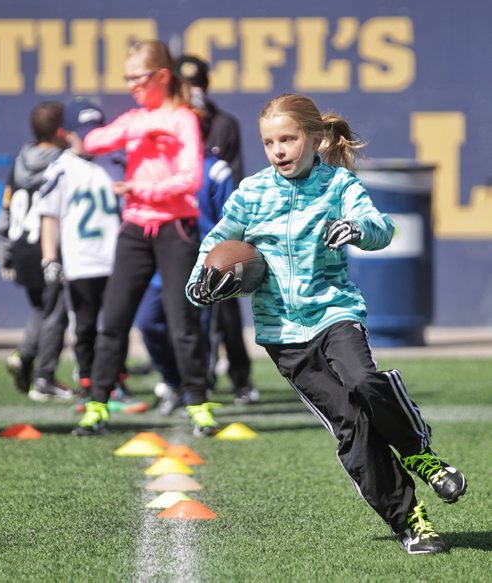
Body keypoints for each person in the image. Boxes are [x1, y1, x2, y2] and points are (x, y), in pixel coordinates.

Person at [186, 93, 467, 554]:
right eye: (269, 142)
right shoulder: (252, 193)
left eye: (288, 139)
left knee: (363, 380)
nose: (278, 150)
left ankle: (421, 453)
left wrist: (356, 229)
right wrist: (199, 282)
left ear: (314, 139)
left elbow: (380, 226)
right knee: (350, 426)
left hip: (335, 314)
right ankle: (411, 520)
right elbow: (216, 243)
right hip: (283, 337)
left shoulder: (338, 184)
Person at [72, 39, 216, 437]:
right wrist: (144, 125)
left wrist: (141, 186)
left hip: (176, 229)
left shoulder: (184, 119)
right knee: (113, 319)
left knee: (182, 321)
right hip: (135, 230)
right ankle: (97, 404)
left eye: (139, 78)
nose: (132, 85)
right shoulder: (137, 118)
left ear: (162, 77)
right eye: (128, 78)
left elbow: (190, 179)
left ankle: (198, 403)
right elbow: (92, 142)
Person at [37, 97, 148, 415]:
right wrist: (50, 258)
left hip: (116, 259)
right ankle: (88, 385)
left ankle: (117, 383)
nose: (89, 139)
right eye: (81, 132)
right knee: (84, 327)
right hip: (81, 261)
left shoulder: (113, 163)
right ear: (65, 133)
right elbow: (50, 217)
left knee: (116, 325)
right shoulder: (61, 169)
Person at [175, 54, 258, 404]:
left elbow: (234, 180)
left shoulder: (224, 123)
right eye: (186, 85)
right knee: (183, 312)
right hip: (179, 233)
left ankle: (241, 378)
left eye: (199, 84)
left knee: (225, 309)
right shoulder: (170, 123)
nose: (194, 91)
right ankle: (190, 380)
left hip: (216, 231)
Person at [135, 149, 236, 415]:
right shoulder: (161, 165)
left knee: (197, 330)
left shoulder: (215, 170)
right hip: (165, 261)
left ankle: (199, 389)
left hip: (201, 265)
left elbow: (231, 220)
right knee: (148, 321)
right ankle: (172, 381)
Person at [0, 101, 73, 402]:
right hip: (47, 246)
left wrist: (3, 247)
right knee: (56, 313)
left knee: (42, 308)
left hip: (20, 245)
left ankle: (24, 356)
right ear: (60, 131)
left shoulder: (20, 159)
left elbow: (5, 205)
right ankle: (45, 377)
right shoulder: (63, 163)